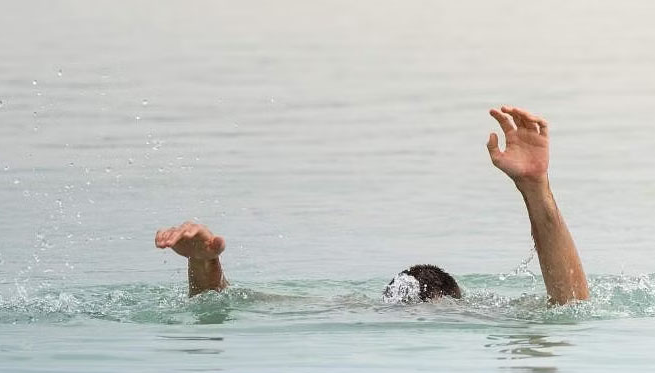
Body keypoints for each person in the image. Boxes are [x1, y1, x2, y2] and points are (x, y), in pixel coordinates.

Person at [154, 106, 590, 305]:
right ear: (454, 303)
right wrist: (537, 191)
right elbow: (571, 303)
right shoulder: (479, 316)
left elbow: (225, 303)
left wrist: (204, 267)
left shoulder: (345, 307)